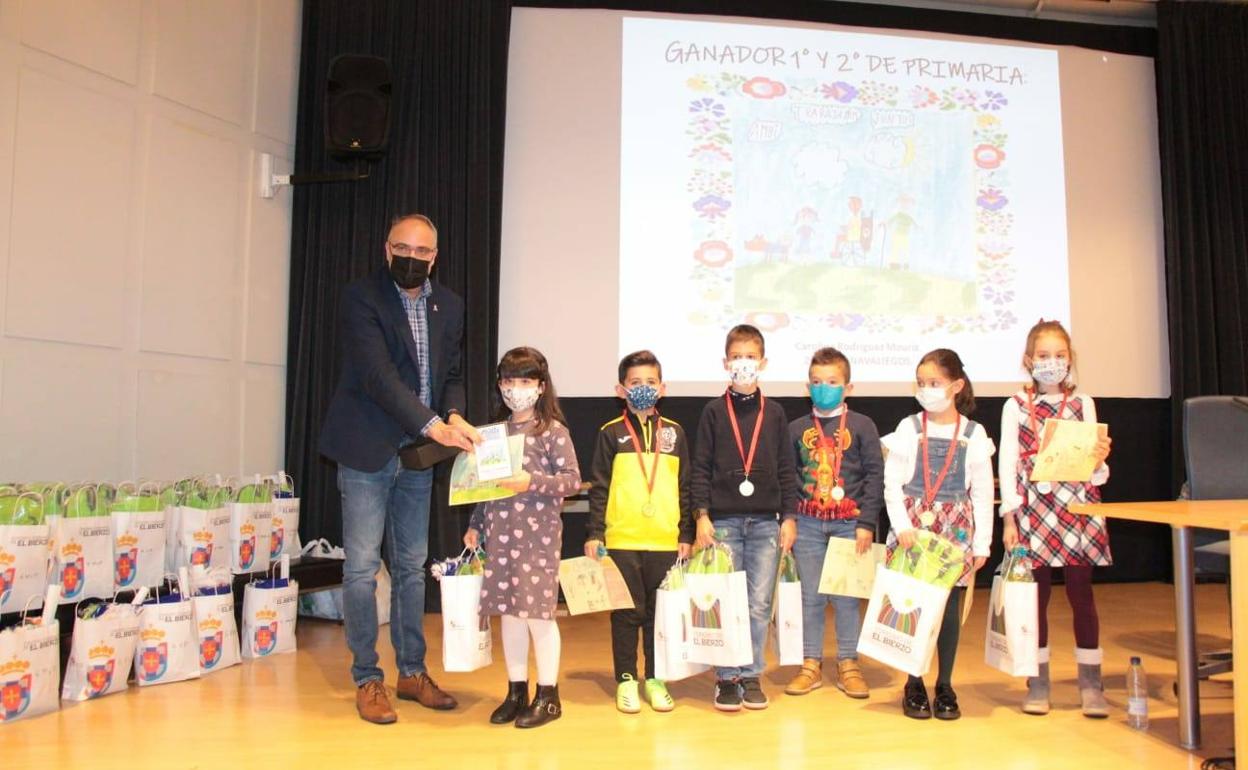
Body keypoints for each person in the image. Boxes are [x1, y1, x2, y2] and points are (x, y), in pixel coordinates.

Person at [319, 213, 480, 725]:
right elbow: (377, 377)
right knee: (363, 568)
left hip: (417, 455)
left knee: (413, 566)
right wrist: (435, 425)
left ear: (436, 257)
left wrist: (452, 414)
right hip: (367, 448)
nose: (412, 257)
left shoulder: (448, 305)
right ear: (387, 248)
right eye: (402, 248)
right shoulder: (361, 297)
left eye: (423, 251)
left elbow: (451, 373)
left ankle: (411, 671)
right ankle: (368, 677)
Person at [998, 319, 1113, 717]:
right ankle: (1038, 679)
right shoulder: (1014, 405)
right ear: (1029, 360)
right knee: (1036, 597)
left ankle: (1091, 682)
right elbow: (1008, 463)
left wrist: (1099, 461)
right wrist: (1010, 519)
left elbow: (1095, 470)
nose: (1052, 363)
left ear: (1070, 360)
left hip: (1076, 507)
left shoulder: (1083, 403)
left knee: (1082, 593)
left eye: (1059, 356)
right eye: (1044, 356)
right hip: (1033, 511)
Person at [464, 347, 581, 729]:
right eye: (510, 382)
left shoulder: (552, 432)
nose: (517, 389)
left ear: (541, 386)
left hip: (538, 541)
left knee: (538, 617)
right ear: (500, 386)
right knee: (510, 616)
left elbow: (572, 481)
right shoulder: (492, 435)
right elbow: (485, 487)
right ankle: (517, 691)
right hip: (500, 540)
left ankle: (548, 696)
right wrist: (475, 525)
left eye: (526, 381)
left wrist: (532, 482)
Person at [690, 324, 800, 712]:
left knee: (757, 603)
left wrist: (789, 516)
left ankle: (751, 673)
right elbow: (700, 468)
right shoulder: (713, 412)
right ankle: (725, 677)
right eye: (737, 357)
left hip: (766, 524)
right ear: (725, 362)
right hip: (723, 523)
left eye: (751, 357)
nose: (744, 364)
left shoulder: (776, 413)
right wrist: (701, 516)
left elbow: (787, 469)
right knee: (726, 601)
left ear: (763, 362)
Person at [881, 348, 994, 721]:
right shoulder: (908, 428)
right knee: (913, 607)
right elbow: (891, 485)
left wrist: (981, 544)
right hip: (914, 527)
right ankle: (913, 680)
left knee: (947, 611)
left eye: (935, 383)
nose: (926, 389)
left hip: (955, 530)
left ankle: (945, 683)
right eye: (922, 383)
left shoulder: (975, 435)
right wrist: (902, 528)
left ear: (956, 385)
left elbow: (981, 492)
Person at [585, 350, 694, 714]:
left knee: (658, 615)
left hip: (665, 540)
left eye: (650, 382)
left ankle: (656, 677)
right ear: (621, 390)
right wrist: (594, 533)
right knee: (626, 613)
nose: (643, 388)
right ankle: (627, 679)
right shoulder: (610, 433)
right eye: (635, 383)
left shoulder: (676, 433)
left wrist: (686, 534)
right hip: (623, 539)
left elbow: (686, 488)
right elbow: (599, 487)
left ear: (662, 388)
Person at [785, 347, 883, 699]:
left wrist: (867, 523)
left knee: (845, 598)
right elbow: (788, 478)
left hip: (849, 525)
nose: (823, 387)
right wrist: (790, 520)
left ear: (848, 386)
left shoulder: (862, 426)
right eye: (816, 382)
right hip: (808, 524)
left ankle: (848, 662)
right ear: (807, 386)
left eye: (831, 382)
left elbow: (874, 475)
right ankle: (811, 663)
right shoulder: (796, 428)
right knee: (810, 597)